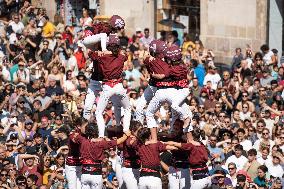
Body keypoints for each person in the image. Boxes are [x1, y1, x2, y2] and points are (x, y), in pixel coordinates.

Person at [92, 34, 131, 137]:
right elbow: (125, 55)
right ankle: (125, 129)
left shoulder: (102, 55)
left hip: (107, 87)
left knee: (99, 112)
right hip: (119, 86)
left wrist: (101, 50)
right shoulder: (122, 55)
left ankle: (101, 135)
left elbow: (91, 54)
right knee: (127, 108)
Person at [71, 123, 130, 189]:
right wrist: (126, 136)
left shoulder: (83, 141)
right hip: (96, 175)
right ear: (97, 131)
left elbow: (74, 136)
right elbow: (116, 142)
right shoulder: (101, 143)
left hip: (85, 174)